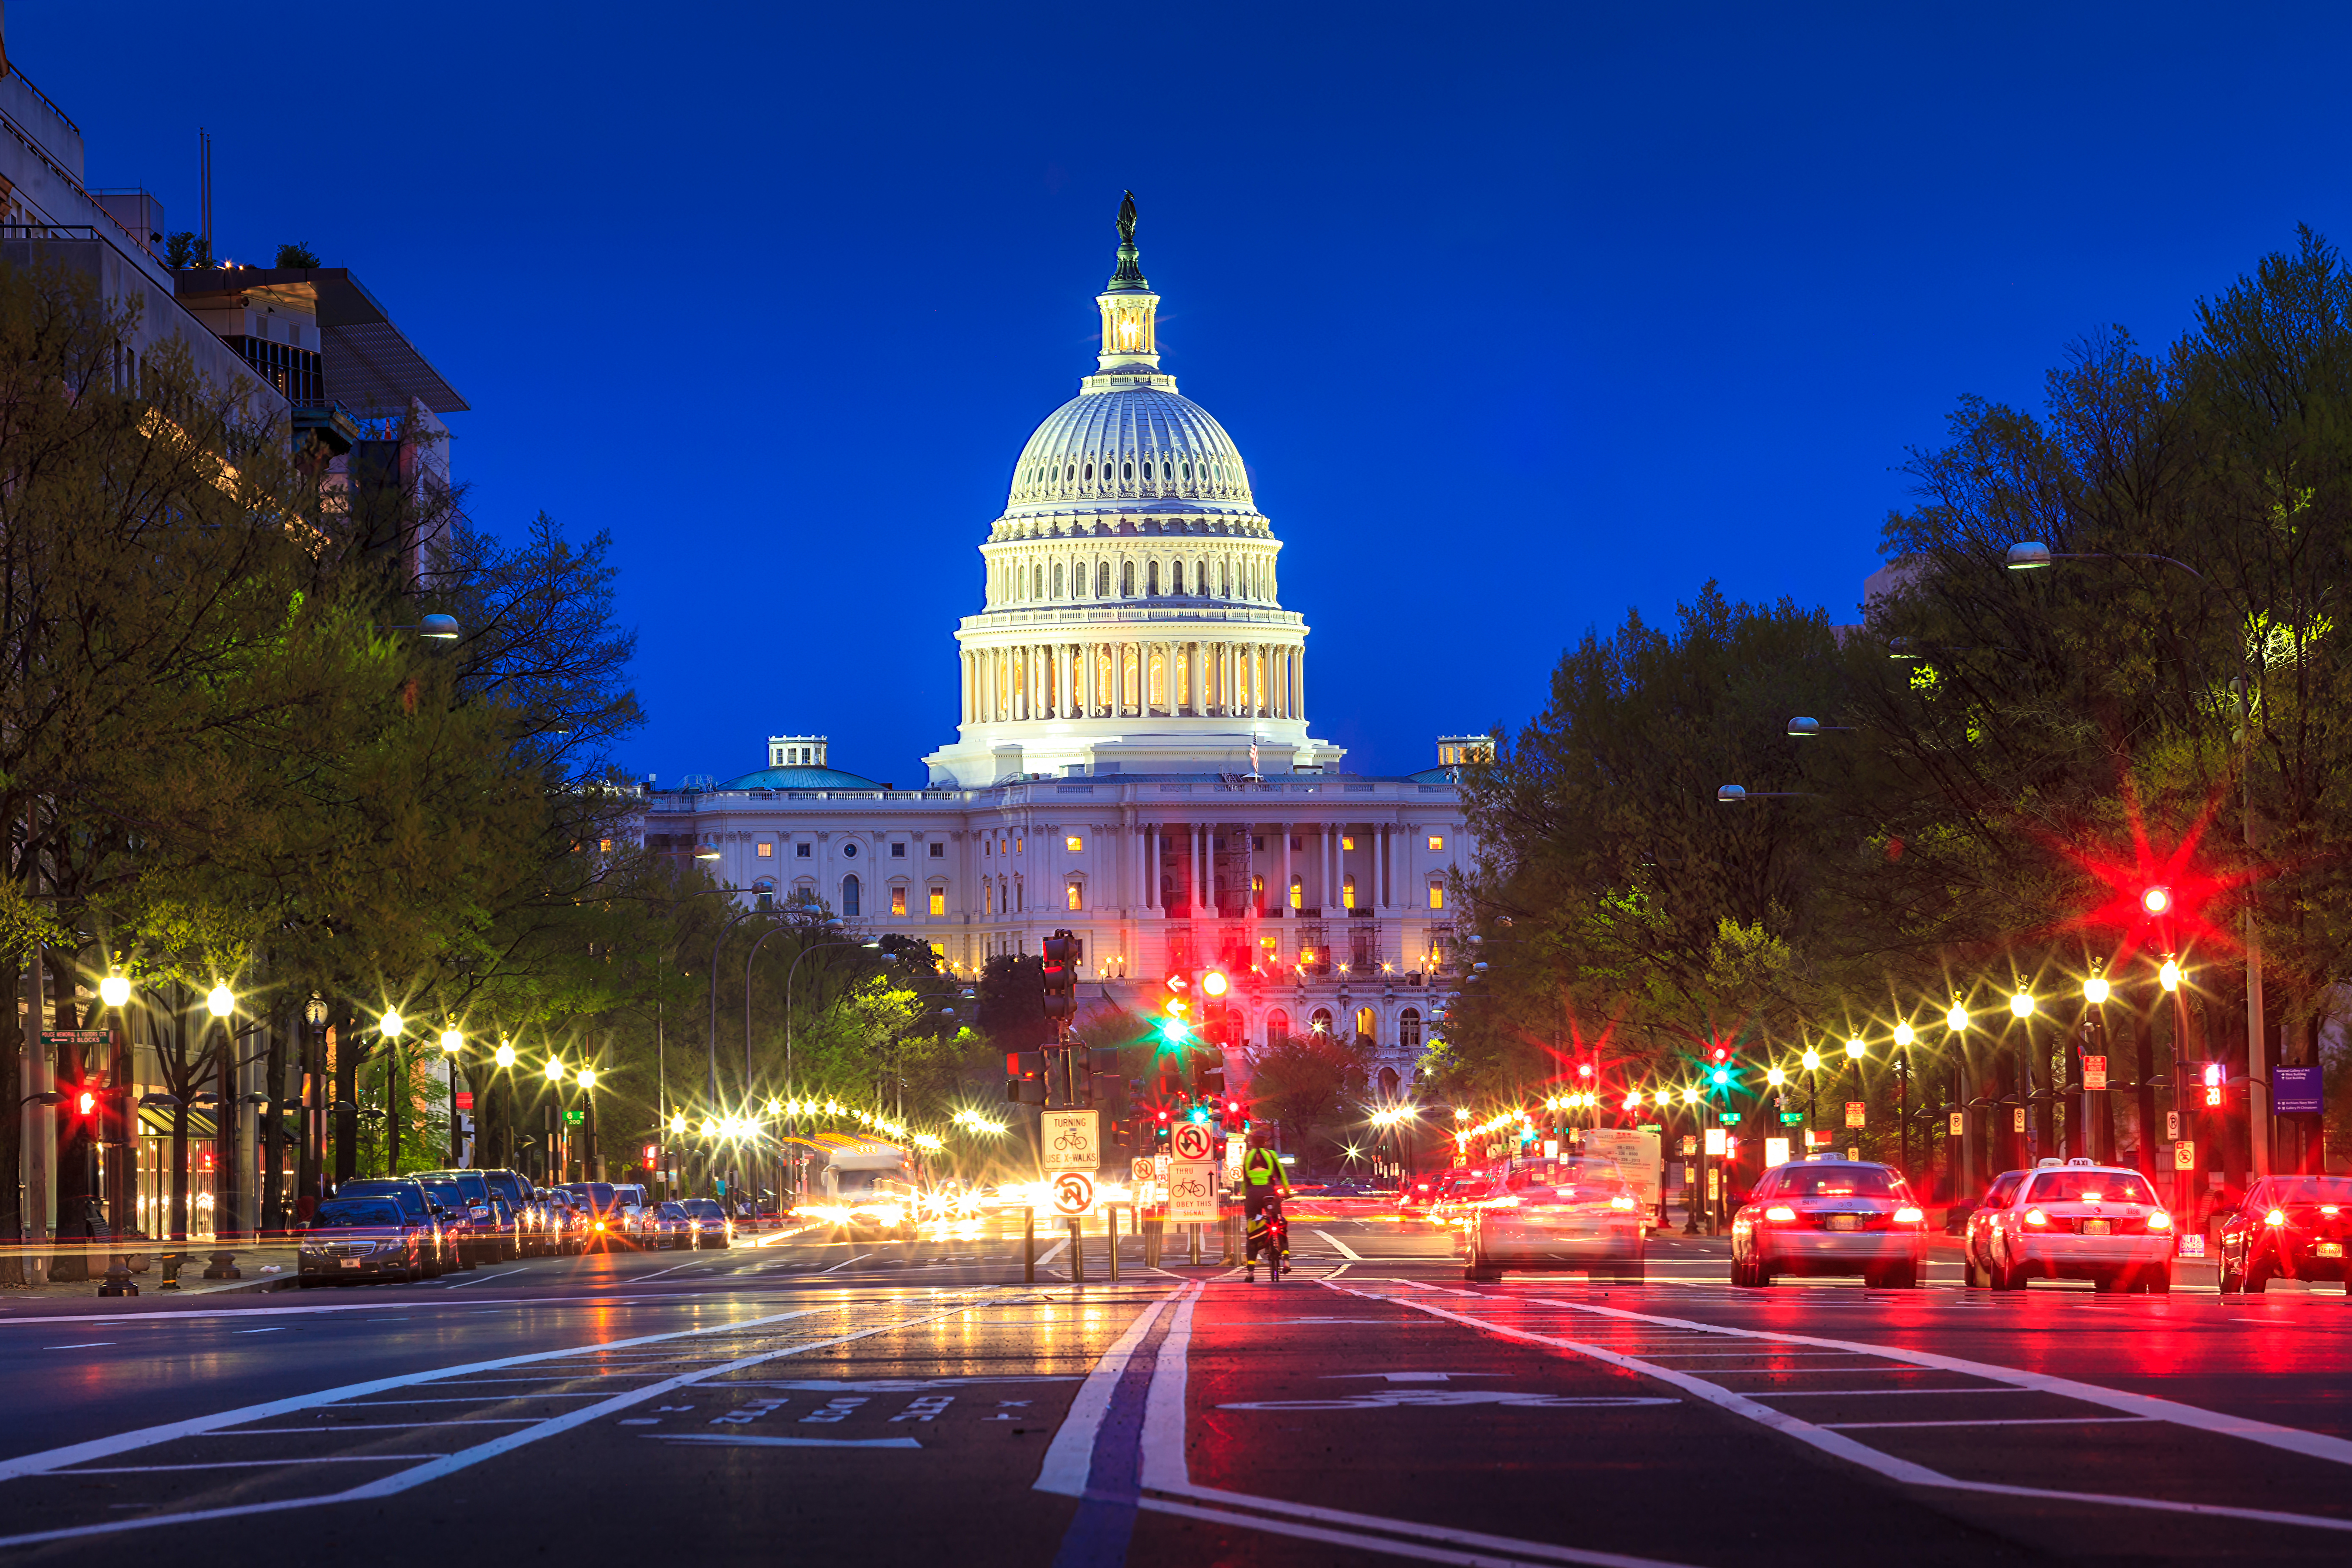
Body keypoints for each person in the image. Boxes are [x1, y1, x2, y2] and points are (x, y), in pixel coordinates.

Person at [1241, 1130, 1290, 1280]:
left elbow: (1245, 1179)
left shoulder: (1247, 1156)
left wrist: (1246, 1195)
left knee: (1252, 1230)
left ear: (1251, 1142)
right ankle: (1286, 1261)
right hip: (1269, 1192)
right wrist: (1287, 1191)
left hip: (1252, 1193)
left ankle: (1251, 1271)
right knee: (1279, 1222)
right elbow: (1281, 1174)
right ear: (1265, 1142)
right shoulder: (1271, 1155)